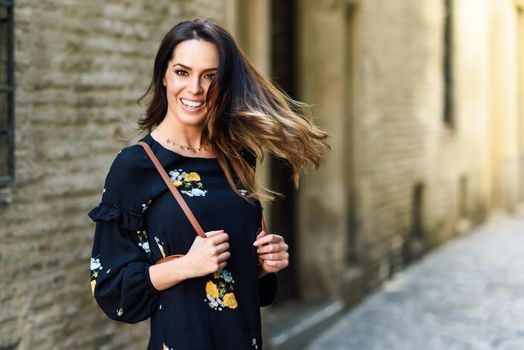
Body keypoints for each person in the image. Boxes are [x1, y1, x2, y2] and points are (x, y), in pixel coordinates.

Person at [88, 19, 329, 350]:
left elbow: (242, 284)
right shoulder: (136, 167)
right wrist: (187, 266)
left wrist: (263, 265)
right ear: (164, 76)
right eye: (183, 72)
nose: (196, 89)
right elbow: (110, 287)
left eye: (210, 76)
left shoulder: (238, 156)